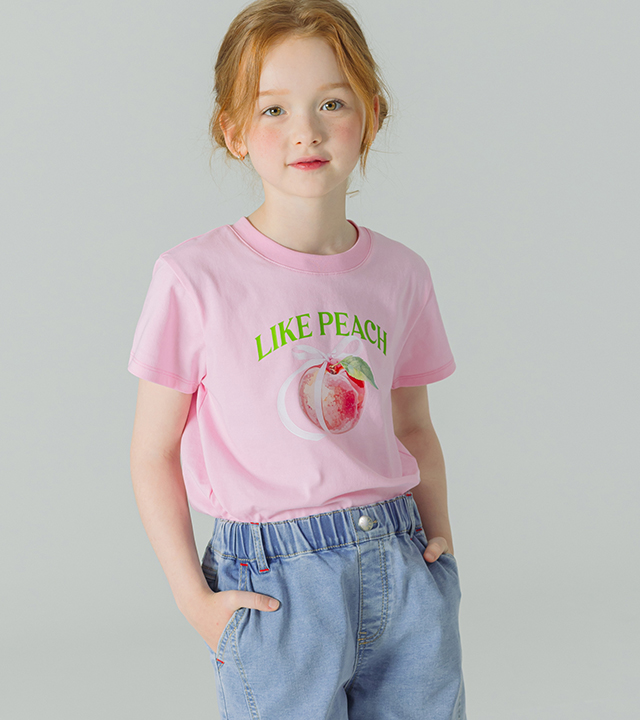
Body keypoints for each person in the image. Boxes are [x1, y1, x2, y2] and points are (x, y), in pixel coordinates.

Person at [128, 1, 466, 718]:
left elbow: (413, 426)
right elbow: (152, 452)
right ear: (233, 131)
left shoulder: (401, 274)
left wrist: (440, 541)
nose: (305, 131)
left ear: (371, 115)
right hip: (276, 584)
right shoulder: (195, 278)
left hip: (402, 560)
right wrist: (193, 599)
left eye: (331, 103)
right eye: (273, 109)